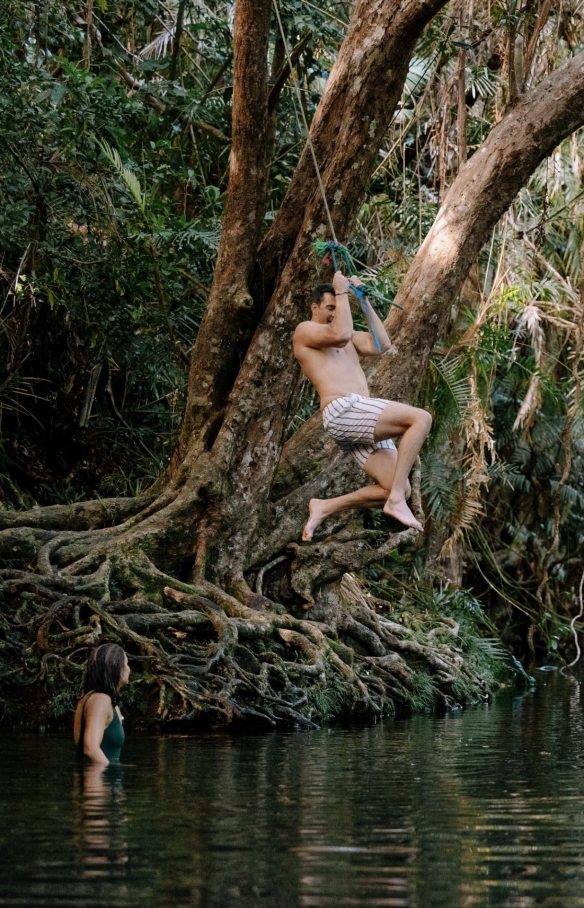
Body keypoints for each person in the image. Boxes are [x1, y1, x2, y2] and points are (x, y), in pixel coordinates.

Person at [293, 271, 432, 541]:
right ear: (315, 307)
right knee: (421, 419)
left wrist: (362, 300)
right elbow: (341, 334)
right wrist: (342, 290)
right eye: (330, 308)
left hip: (360, 416)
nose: (334, 312)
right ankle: (394, 501)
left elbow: (382, 344)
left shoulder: (347, 338)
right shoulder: (306, 331)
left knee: (400, 488)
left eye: (337, 308)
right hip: (343, 410)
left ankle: (324, 506)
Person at [74, 643, 130, 765]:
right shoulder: (100, 700)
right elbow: (90, 749)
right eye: (127, 664)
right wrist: (108, 771)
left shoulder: (99, 698)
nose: (129, 669)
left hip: (104, 780)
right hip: (99, 781)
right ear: (118, 669)